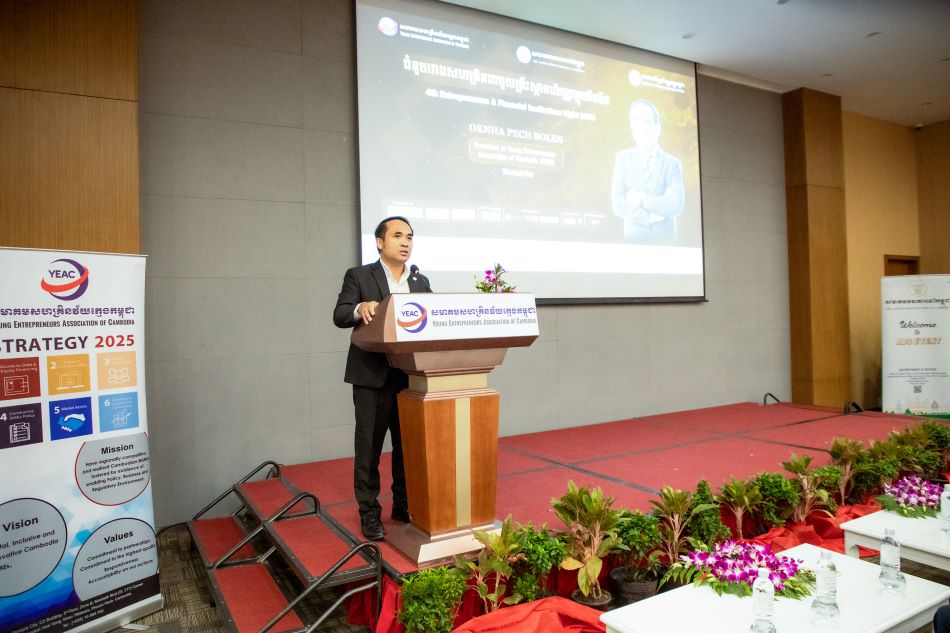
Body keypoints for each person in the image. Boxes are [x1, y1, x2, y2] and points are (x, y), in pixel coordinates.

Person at [332, 216, 432, 541]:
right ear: (380, 242)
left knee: (406, 449)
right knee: (369, 450)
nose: (405, 242)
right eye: (398, 236)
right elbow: (340, 314)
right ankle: (369, 513)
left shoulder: (420, 281)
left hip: (409, 378)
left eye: (410, 237)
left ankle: (403, 506)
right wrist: (360, 307)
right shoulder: (360, 275)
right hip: (372, 378)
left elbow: (432, 320)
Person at [611, 99, 685, 243]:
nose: (643, 128)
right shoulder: (623, 158)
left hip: (667, 245)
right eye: (637, 121)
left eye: (648, 122)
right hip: (633, 243)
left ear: (658, 128)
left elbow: (676, 204)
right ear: (631, 126)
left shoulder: (672, 164)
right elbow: (618, 203)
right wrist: (648, 217)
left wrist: (641, 199)